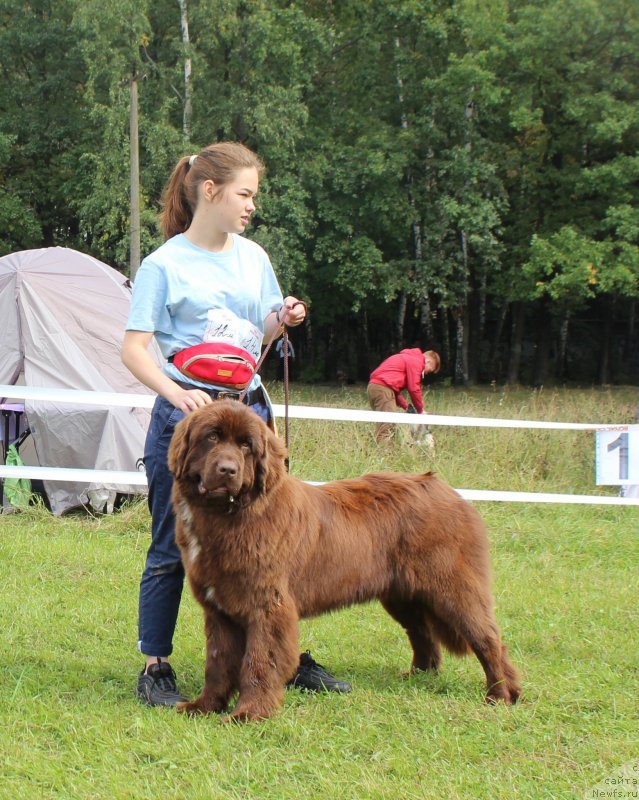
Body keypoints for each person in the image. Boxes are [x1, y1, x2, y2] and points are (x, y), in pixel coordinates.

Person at [121, 141, 351, 707]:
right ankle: (156, 665)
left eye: (253, 195)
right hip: (189, 425)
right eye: (245, 194)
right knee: (172, 547)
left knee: (276, 543)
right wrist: (179, 396)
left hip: (251, 420)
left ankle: (278, 656)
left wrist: (284, 316)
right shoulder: (163, 265)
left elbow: (262, 333)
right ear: (210, 191)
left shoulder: (254, 257)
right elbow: (134, 349)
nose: (251, 205)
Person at [367, 348, 441, 443]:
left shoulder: (407, 358)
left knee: (383, 424)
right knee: (387, 426)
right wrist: (420, 410)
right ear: (428, 361)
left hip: (374, 388)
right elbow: (414, 388)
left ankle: (379, 451)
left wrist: (407, 407)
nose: (426, 373)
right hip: (383, 390)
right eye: (429, 370)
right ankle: (384, 455)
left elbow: (393, 390)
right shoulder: (416, 361)